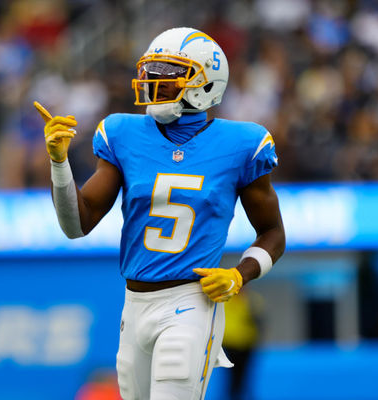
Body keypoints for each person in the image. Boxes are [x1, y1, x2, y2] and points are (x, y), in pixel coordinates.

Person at [34, 27, 285, 400]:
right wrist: (59, 163)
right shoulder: (123, 133)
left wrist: (238, 275)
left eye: (169, 74)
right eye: (152, 72)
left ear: (205, 82)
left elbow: (273, 233)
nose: (154, 82)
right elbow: (76, 225)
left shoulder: (242, 144)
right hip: (133, 305)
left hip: (191, 301)